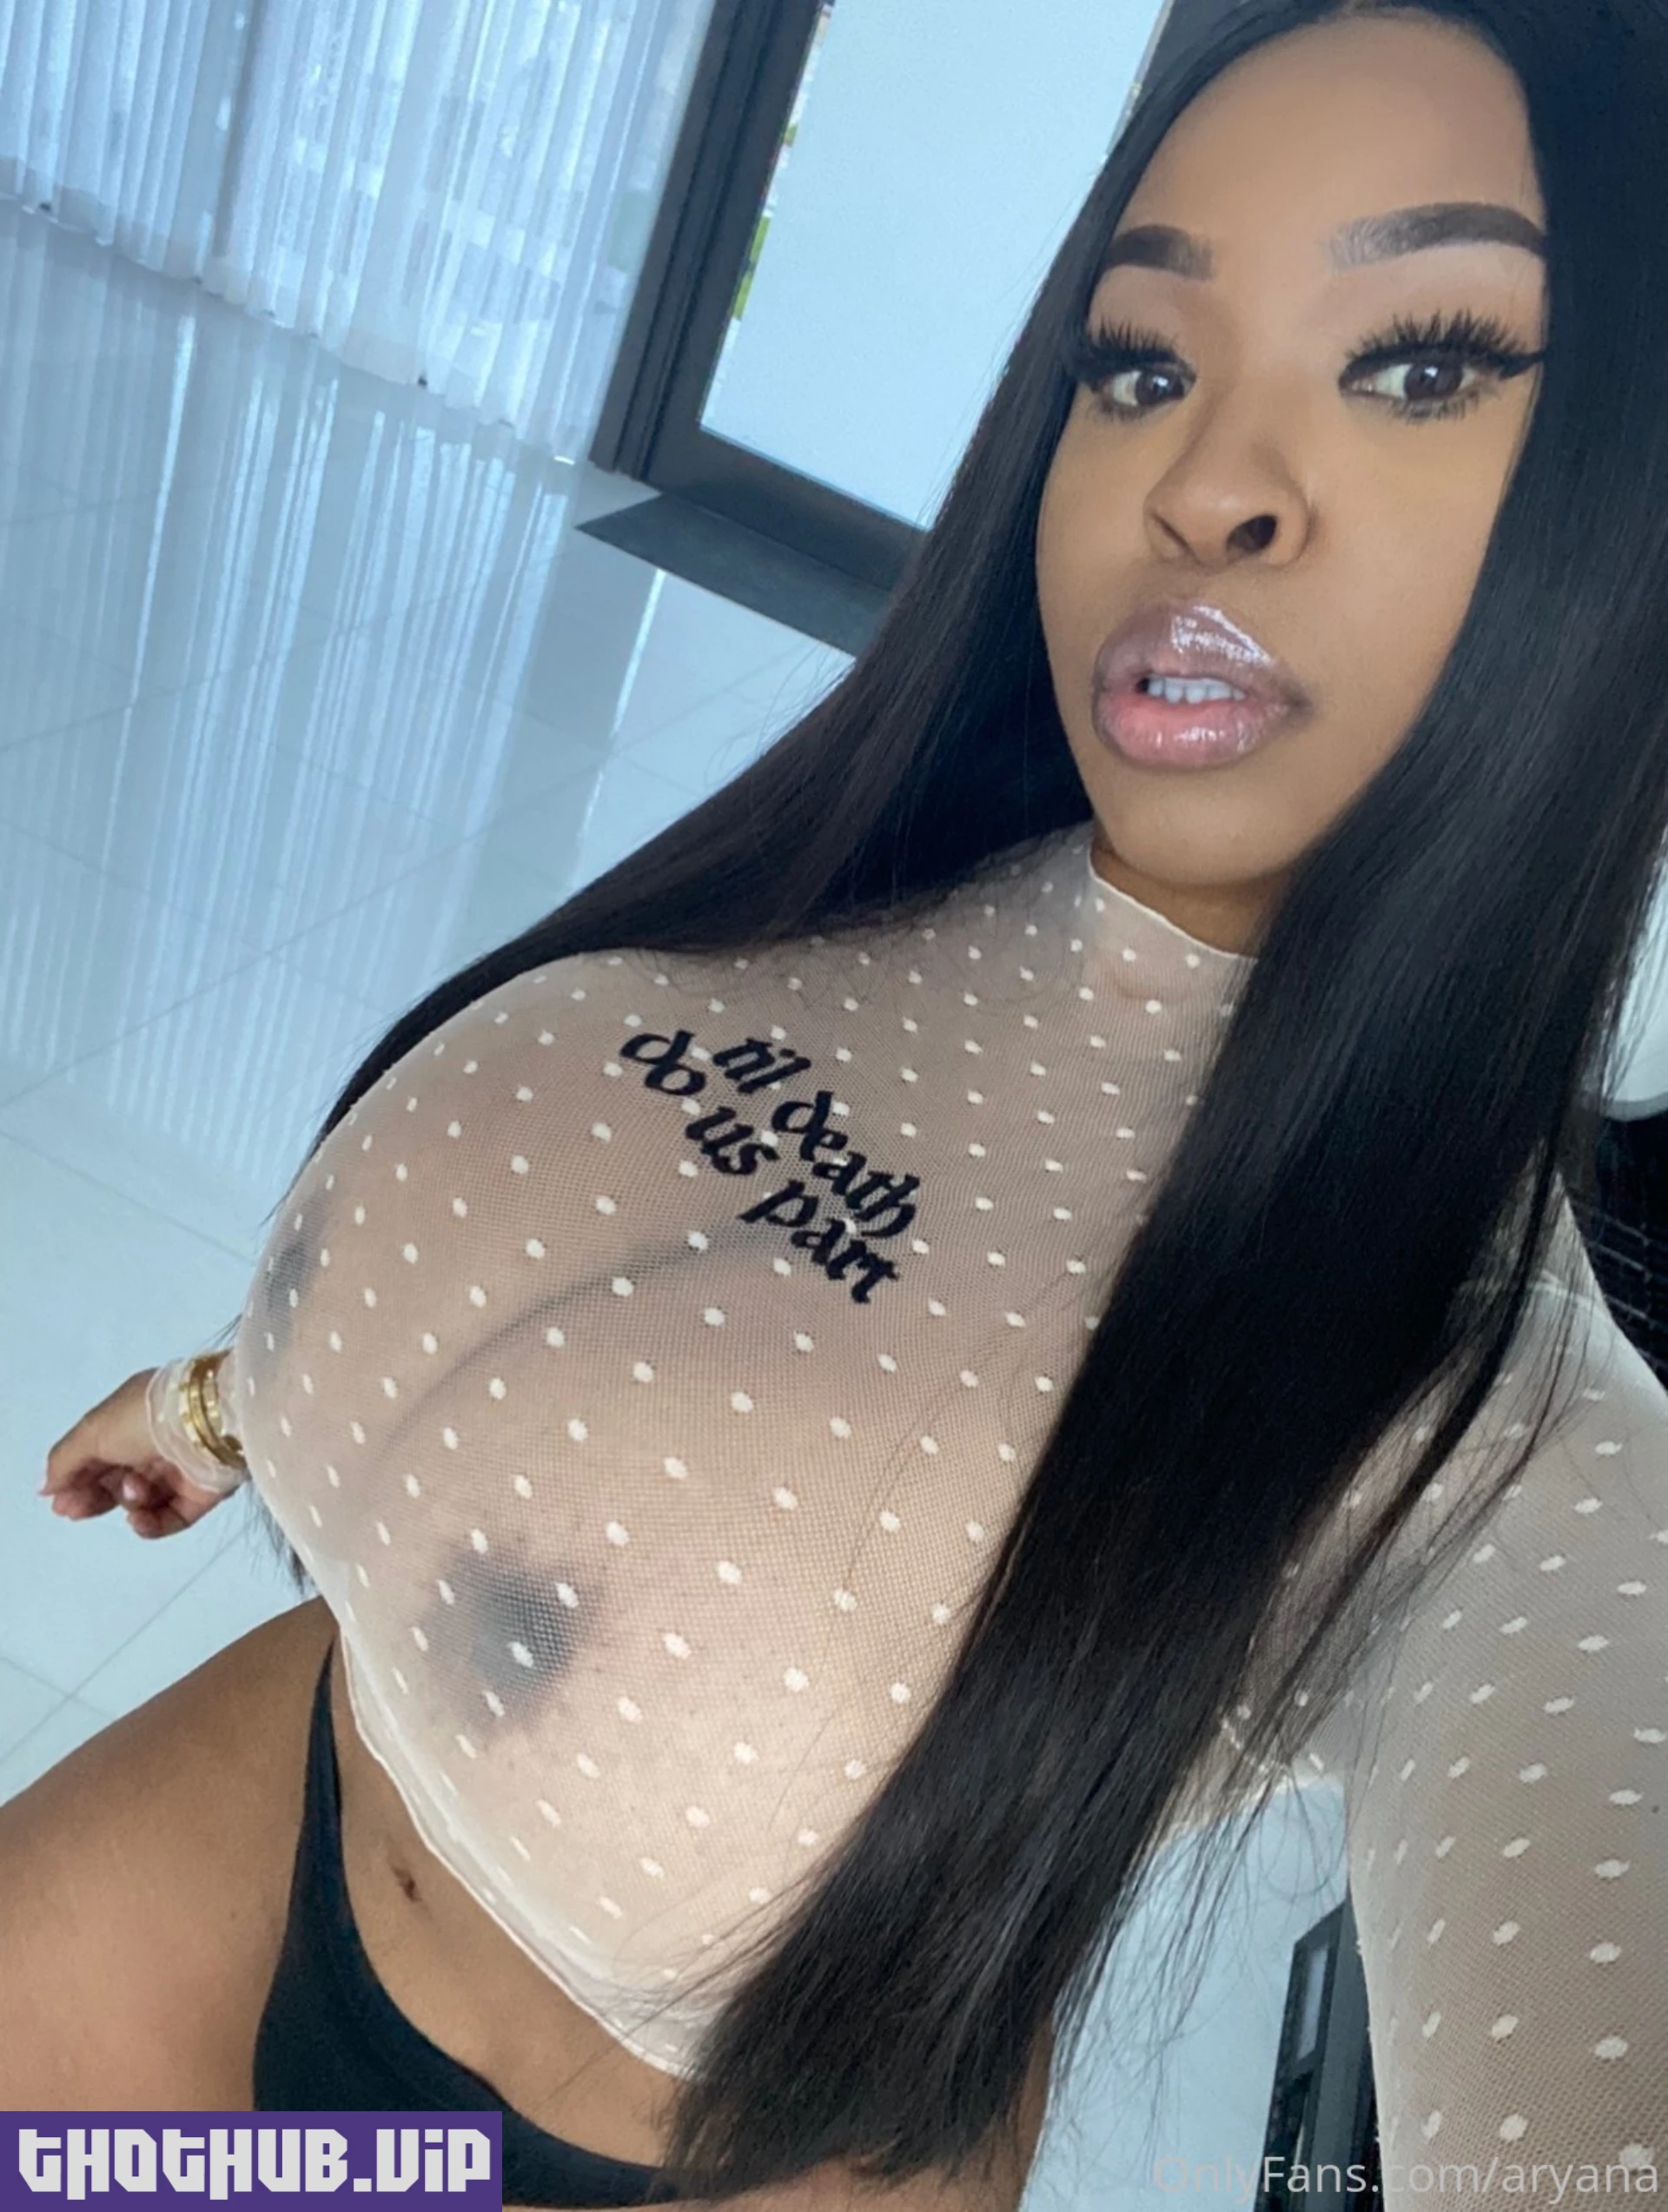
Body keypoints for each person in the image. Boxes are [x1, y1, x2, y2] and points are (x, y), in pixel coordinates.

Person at [8, 0, 1666, 2206]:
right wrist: (229, 1399)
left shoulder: (1514, 1434)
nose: (1203, 483)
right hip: (269, 1840)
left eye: (1424, 363)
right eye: (1140, 361)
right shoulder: (884, 859)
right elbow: (648, 1281)